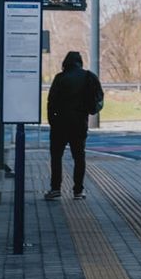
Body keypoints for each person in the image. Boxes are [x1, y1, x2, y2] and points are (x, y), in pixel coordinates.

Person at [44, 51, 104, 201]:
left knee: (56, 157)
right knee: (79, 157)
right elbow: (99, 97)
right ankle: (78, 190)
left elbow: (51, 103)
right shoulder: (89, 76)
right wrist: (90, 111)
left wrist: (53, 122)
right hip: (79, 123)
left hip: (60, 124)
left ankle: (55, 189)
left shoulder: (60, 78)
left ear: (66, 62)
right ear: (80, 62)